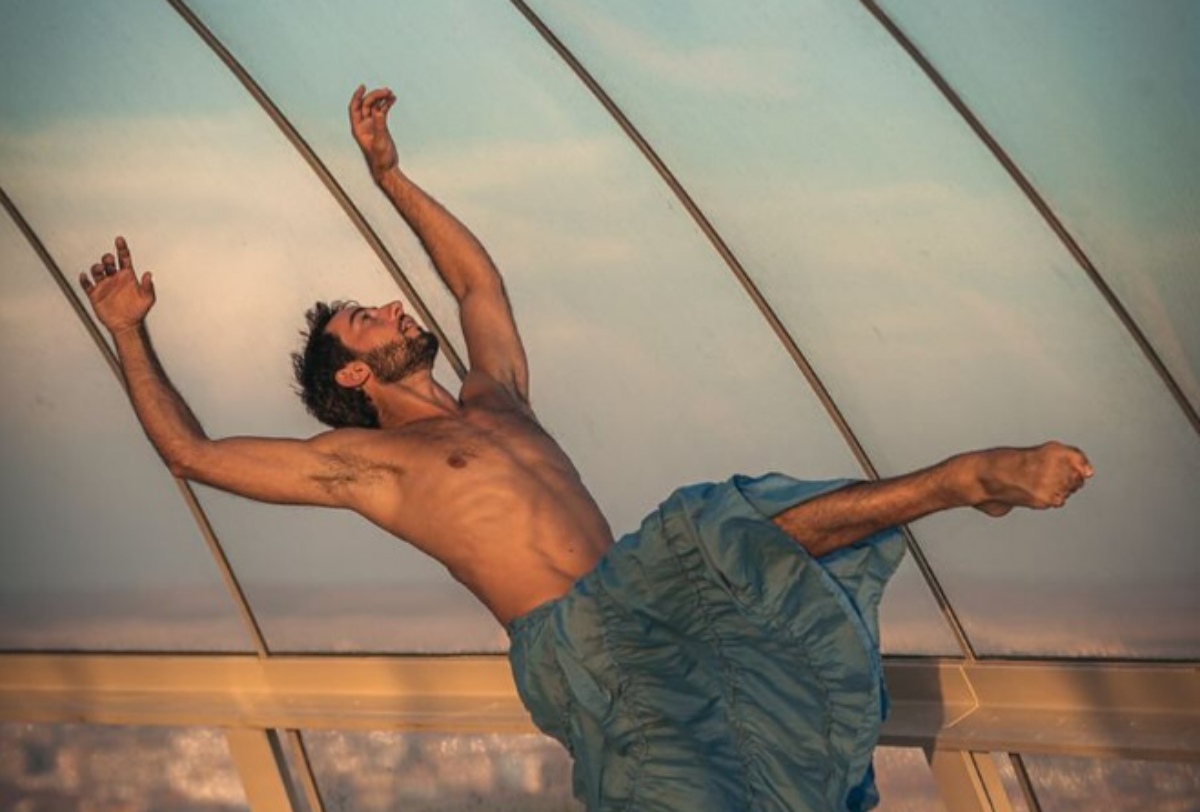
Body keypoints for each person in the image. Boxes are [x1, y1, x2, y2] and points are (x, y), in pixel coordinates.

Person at [79, 85, 1093, 812]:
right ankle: (961, 478)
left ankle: (958, 482)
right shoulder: (368, 468)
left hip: (654, 604)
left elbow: (479, 285)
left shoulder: (496, 397)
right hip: (586, 648)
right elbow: (195, 454)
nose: (393, 304)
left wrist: (392, 176)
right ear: (354, 374)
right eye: (365, 315)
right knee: (711, 529)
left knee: (735, 550)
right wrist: (129, 331)